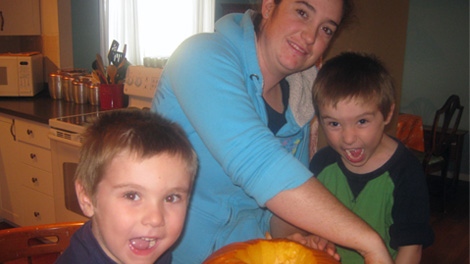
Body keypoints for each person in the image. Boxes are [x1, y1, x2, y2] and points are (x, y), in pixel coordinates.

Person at [151, 0, 394, 263]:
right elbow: (258, 164)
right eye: (302, 13)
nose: (310, 36)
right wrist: (368, 241)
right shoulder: (200, 56)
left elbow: (277, 210)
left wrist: (294, 238)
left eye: (326, 29)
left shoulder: (299, 103)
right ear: (268, 7)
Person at [310, 52, 434, 264]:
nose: (348, 138)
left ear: (387, 114)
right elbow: (309, 220)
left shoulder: (406, 173)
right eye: (334, 124)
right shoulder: (321, 164)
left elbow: (411, 250)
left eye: (362, 121)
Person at [56, 109, 198, 264]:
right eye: (132, 195)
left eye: (171, 198)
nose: (155, 219)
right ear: (87, 197)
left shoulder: (155, 249)